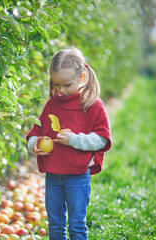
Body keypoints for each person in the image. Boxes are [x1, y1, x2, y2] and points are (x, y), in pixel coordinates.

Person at [26, 48, 112, 240]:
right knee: (55, 225)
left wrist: (74, 139)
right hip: (54, 176)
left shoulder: (92, 105)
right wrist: (35, 144)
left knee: (76, 225)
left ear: (82, 77)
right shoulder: (52, 104)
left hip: (78, 176)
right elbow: (36, 131)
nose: (61, 90)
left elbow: (102, 139)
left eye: (66, 84)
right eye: (56, 85)